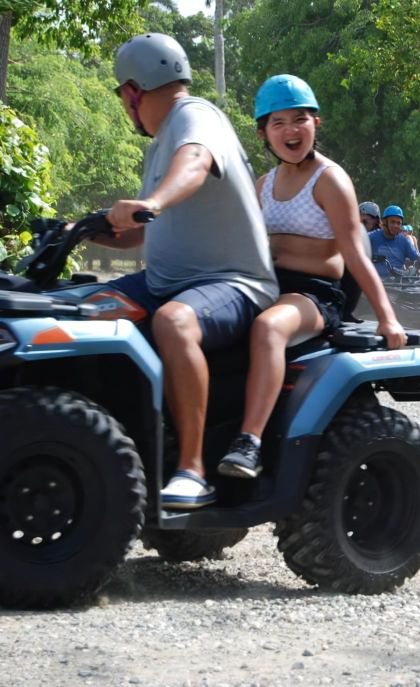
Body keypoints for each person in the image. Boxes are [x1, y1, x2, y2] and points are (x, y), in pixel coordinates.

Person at [97, 33, 278, 509]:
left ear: (133, 92)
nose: (124, 106)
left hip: (234, 284)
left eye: (122, 96)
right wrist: (80, 229)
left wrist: (151, 200)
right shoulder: (160, 147)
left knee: (173, 322)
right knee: (84, 308)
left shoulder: (194, 116)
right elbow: (140, 234)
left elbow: (195, 164)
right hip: (168, 282)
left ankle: (192, 470)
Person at [216, 74, 407, 480]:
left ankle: (249, 442)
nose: (290, 130)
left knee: (269, 330)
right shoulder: (263, 185)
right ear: (263, 132)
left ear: (315, 125)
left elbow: (355, 253)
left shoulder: (329, 180)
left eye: (299, 119)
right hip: (263, 286)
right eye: (278, 122)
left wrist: (387, 316)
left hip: (312, 295)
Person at [368, 205, 420, 279]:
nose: (396, 226)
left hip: (399, 284)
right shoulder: (371, 237)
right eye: (392, 222)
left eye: (398, 223)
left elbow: (416, 257)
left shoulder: (403, 240)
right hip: (376, 282)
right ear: (384, 222)